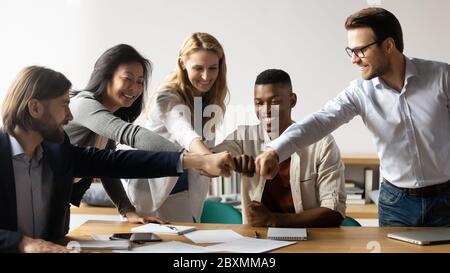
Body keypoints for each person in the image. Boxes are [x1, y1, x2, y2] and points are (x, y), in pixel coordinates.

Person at [0, 66, 235, 252]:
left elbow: (115, 162)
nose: (70, 115)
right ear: (35, 108)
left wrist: (194, 161)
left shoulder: (57, 152)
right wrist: (23, 244)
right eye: (64, 105)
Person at [255, 8, 450, 227]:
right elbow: (319, 122)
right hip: (397, 204)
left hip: (446, 199)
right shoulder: (359, 92)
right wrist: (275, 150)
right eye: (351, 51)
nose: (354, 60)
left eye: (361, 51)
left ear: (388, 45)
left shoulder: (442, 77)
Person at [65, 44, 183, 224]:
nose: (135, 89)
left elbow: (106, 167)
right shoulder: (83, 105)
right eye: (127, 79)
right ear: (106, 76)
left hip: (57, 195)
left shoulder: (106, 117)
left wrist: (128, 211)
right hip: (35, 191)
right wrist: (191, 158)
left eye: (140, 81)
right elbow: (130, 133)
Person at [215, 69, 346, 227]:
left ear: (292, 101)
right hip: (255, 241)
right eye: (259, 103)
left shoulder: (322, 143)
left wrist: (274, 220)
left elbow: (334, 212)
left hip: (309, 240)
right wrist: (232, 161)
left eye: (275, 101)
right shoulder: (243, 137)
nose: (266, 110)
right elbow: (212, 160)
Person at [127, 32, 229, 222]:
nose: (206, 76)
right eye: (198, 68)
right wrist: (209, 161)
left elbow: (206, 148)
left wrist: (218, 161)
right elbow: (184, 133)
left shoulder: (209, 101)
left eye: (213, 68)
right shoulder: (166, 96)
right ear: (182, 63)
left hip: (182, 192)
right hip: (150, 192)